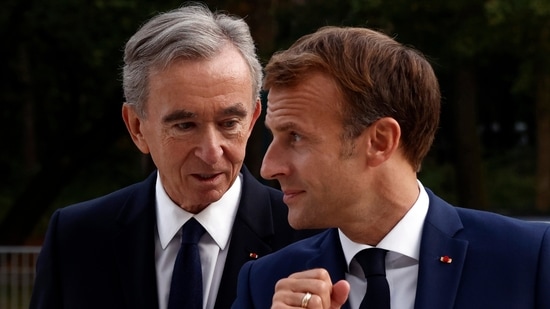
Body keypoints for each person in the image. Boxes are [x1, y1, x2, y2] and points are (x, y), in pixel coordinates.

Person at [231, 26, 550, 309]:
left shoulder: (530, 259)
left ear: (380, 141)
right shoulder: (265, 283)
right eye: (274, 136)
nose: (268, 168)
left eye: (296, 137)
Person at [30, 3, 319, 309]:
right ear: (137, 127)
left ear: (252, 121)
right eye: (185, 125)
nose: (211, 152)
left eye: (229, 124)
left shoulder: (311, 237)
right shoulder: (77, 238)